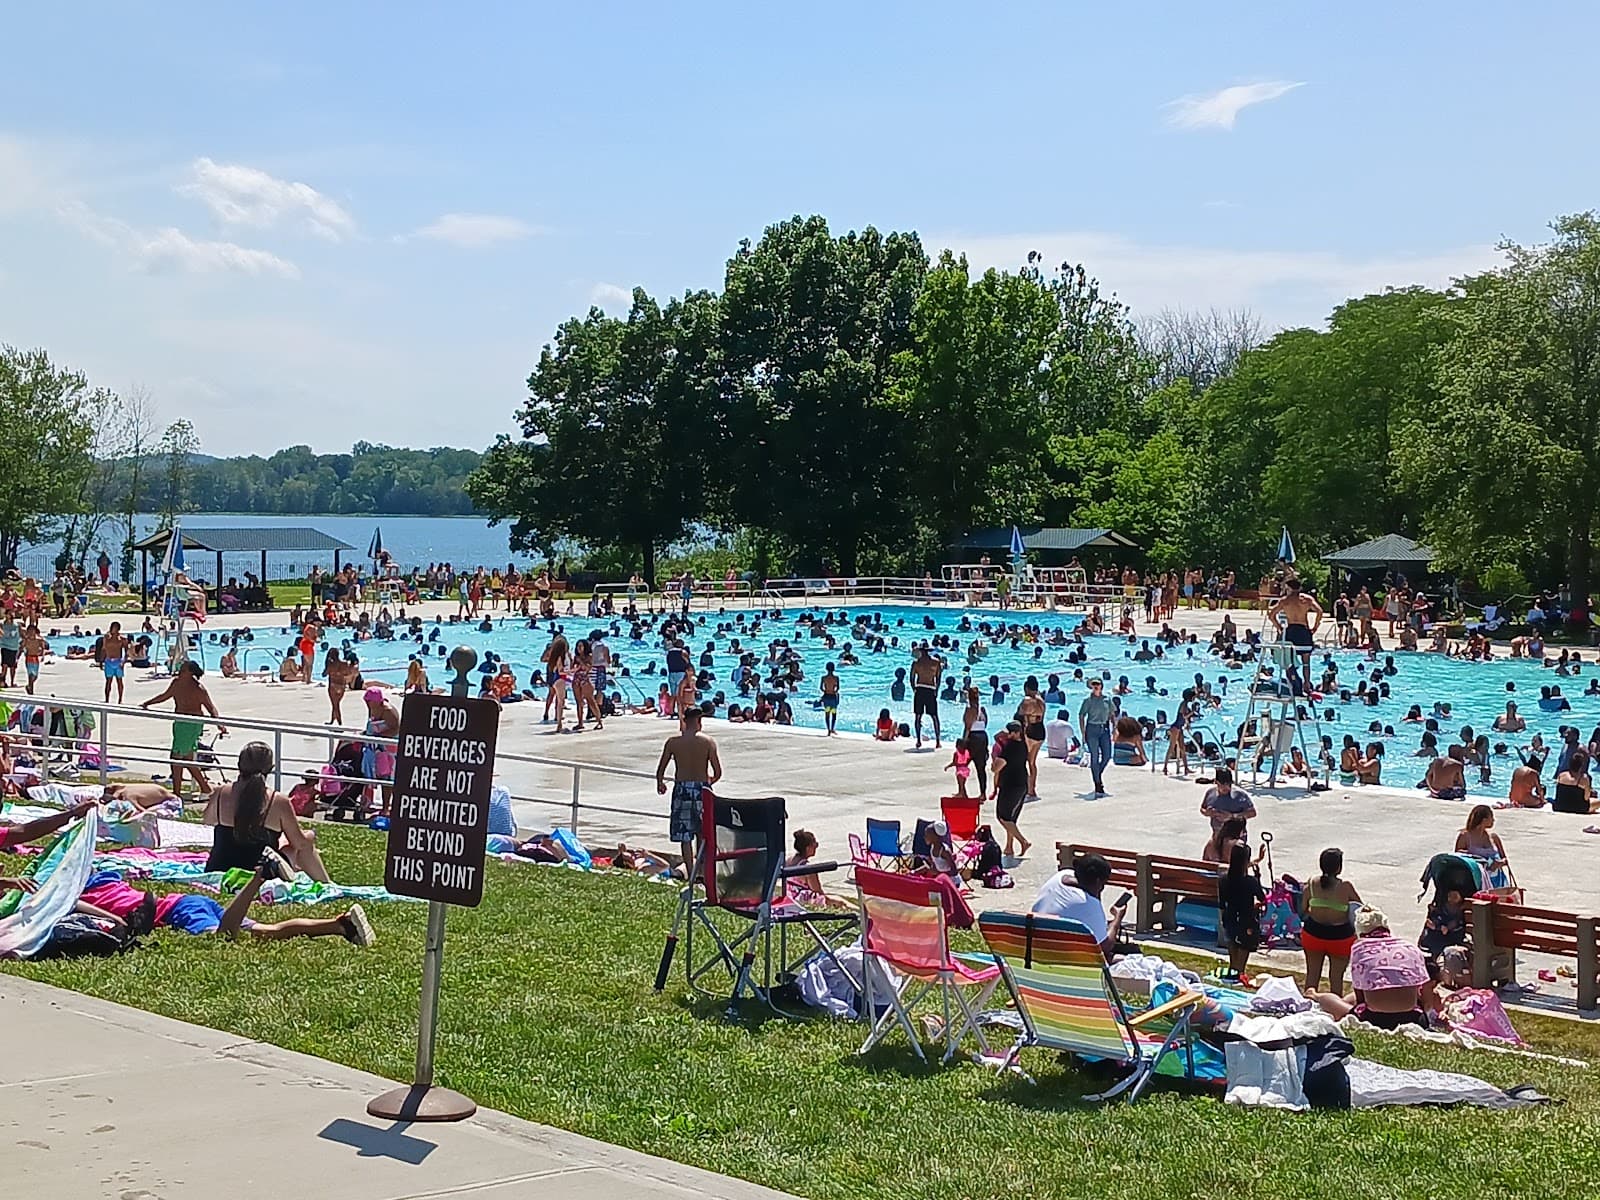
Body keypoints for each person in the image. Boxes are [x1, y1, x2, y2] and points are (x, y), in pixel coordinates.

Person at [202, 741, 332, 881]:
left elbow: (207, 820)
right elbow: (299, 843)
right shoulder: (278, 800)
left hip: (219, 867)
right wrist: (311, 834)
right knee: (302, 844)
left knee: (283, 840)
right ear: (271, 768)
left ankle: (326, 883)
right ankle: (326, 883)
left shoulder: (221, 792)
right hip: (259, 873)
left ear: (239, 765)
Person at [1310, 908, 1432, 1030]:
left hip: (1375, 1019)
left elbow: (1361, 999)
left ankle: (1314, 995)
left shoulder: (1360, 949)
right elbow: (1427, 998)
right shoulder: (1410, 947)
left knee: (1330, 1001)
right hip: (1414, 1018)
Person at [140, 660, 226, 796]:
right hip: (180, 723)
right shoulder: (176, 683)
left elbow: (211, 707)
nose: (180, 671)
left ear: (191, 672)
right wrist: (148, 703)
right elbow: (165, 696)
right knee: (186, 758)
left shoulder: (198, 688)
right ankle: (204, 788)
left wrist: (219, 724)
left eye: (183, 670)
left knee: (176, 757)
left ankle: (178, 793)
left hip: (192, 724)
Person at [656, 707, 723, 871]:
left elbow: (661, 770)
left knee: (684, 835)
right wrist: (708, 782)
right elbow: (718, 772)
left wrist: (661, 783)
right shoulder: (708, 742)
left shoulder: (673, 742)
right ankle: (701, 870)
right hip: (702, 789)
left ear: (684, 721)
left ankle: (690, 870)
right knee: (702, 832)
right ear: (699, 721)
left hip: (682, 788)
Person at [1031, 853, 1126, 959]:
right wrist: (1117, 918)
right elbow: (1105, 946)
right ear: (1098, 881)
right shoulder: (1089, 905)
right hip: (1064, 958)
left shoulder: (1060, 876)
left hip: (1036, 948)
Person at [1301, 848, 1361, 994]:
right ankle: (1335, 1012)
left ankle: (1307, 1007)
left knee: (1312, 976)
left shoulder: (1311, 883)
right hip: (1340, 938)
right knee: (1336, 979)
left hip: (1313, 934)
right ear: (1339, 868)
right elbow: (1359, 910)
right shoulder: (1345, 886)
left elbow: (1303, 909)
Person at [1218, 840, 1265, 979]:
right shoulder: (1250, 881)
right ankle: (1240, 970)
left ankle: (1233, 968)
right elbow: (1261, 897)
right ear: (1246, 861)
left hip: (1230, 915)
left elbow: (1222, 902)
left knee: (1232, 940)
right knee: (1245, 944)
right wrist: (1258, 877)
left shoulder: (1224, 879)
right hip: (1247, 918)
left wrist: (1258, 860)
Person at [1267, 577, 1323, 687]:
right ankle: (1306, 684)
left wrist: (1279, 627)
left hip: (1291, 630)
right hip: (1303, 629)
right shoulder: (1307, 599)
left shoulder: (1285, 601)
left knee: (1289, 660)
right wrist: (1315, 626)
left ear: (1289, 588)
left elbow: (1271, 615)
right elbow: (1319, 611)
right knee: (1306, 662)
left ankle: (1292, 683)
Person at [989, 719, 1031, 860]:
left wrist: (994, 759)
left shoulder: (1010, 748)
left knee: (1003, 817)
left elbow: (996, 768)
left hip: (1010, 786)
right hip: (1022, 784)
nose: (1007, 734)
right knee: (1012, 818)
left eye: (1009, 732)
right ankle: (1009, 847)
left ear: (1015, 733)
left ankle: (1023, 841)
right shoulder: (1023, 744)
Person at [361, 688, 400, 813]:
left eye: (369, 701)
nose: (367, 703)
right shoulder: (372, 708)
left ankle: (387, 807)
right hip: (378, 747)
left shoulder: (388, 711)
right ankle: (381, 805)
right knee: (381, 776)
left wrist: (379, 737)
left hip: (390, 749)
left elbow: (397, 729)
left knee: (388, 778)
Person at [1455, 804, 1511, 888]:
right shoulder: (1465, 836)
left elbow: (1505, 859)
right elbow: (1457, 859)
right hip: (1476, 880)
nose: (1493, 820)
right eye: (1491, 817)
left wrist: (1500, 863)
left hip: (1497, 880)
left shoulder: (1494, 837)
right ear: (1484, 820)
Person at [1078, 677, 1114, 795]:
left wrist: (1115, 729)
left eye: (1098, 684)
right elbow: (1081, 715)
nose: (1096, 686)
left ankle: (1097, 774)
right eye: (1094, 684)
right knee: (1094, 756)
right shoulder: (1088, 700)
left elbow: (1112, 713)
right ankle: (1097, 783)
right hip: (1092, 729)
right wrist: (1083, 732)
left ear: (1102, 685)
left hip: (1104, 729)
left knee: (1107, 755)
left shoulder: (1107, 699)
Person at [1199, 766, 1256, 834]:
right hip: (1217, 834)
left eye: (1228, 784)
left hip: (1236, 835)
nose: (1226, 787)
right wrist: (1207, 813)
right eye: (1223, 784)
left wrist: (1232, 816)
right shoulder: (1210, 793)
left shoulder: (1240, 795)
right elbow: (1202, 808)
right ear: (1216, 782)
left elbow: (1252, 813)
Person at [910, 644, 943, 749]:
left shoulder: (917, 663)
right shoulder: (936, 662)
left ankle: (919, 740)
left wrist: (914, 688)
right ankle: (937, 741)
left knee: (918, 716)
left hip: (920, 688)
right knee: (934, 716)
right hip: (930, 689)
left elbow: (911, 678)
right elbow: (938, 678)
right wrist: (936, 689)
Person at [1018, 675, 1046, 798]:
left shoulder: (1027, 700)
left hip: (1030, 731)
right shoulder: (1041, 701)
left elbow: (1021, 717)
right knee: (1032, 762)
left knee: (1024, 760)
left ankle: (1026, 787)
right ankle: (1032, 788)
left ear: (1027, 688)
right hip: (1040, 730)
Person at [962, 687, 990, 797]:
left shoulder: (970, 709)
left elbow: (968, 727)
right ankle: (983, 793)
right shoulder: (982, 710)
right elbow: (985, 724)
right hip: (983, 736)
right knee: (981, 768)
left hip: (973, 738)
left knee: (962, 765)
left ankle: (962, 791)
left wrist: (964, 741)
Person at [1552, 748, 1596, 814]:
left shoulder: (1561, 775)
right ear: (1581, 766)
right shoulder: (1583, 778)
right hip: (1578, 808)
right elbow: (1586, 798)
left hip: (1559, 806)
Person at [100, 619, 129, 703]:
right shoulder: (106, 638)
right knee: (108, 681)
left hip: (118, 661)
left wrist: (123, 662)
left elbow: (127, 652)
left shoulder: (122, 639)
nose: (114, 629)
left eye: (116, 627)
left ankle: (120, 699)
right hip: (108, 661)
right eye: (113, 627)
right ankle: (107, 699)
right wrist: (101, 661)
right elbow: (103, 649)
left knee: (119, 681)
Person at [820, 660, 840, 737]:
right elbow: (838, 688)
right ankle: (832, 728)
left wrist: (826, 691)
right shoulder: (836, 678)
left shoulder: (823, 678)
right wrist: (833, 691)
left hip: (826, 697)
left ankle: (828, 729)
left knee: (827, 714)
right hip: (833, 697)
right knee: (834, 714)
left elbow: (821, 688)